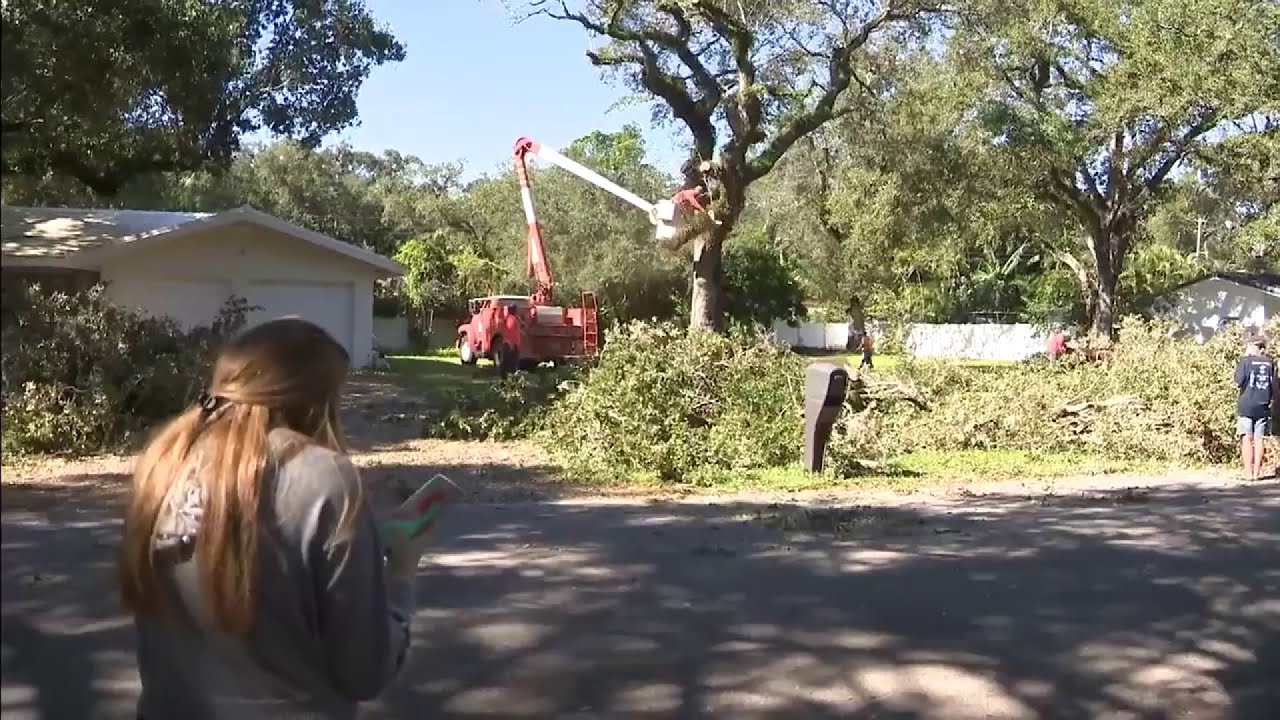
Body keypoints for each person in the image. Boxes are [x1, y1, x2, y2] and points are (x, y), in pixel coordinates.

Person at [118, 317, 434, 719]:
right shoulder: (325, 478)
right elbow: (365, 672)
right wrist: (402, 574)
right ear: (315, 402)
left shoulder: (163, 464)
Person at [1233, 334, 1276, 481]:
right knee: (1259, 439)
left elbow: (1238, 381)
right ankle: (1257, 473)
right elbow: (1273, 384)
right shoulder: (1270, 362)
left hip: (1246, 404)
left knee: (1246, 438)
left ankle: (1248, 473)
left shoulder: (1245, 361)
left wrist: (1244, 360)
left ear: (1254, 347)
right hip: (1263, 404)